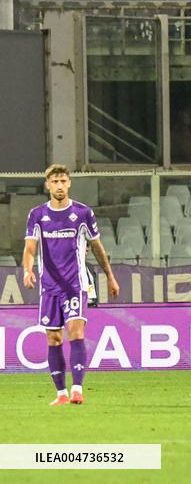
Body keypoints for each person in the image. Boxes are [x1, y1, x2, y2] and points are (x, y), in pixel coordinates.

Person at [22, 164, 120, 406]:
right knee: (54, 339)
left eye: (63, 181)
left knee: (76, 332)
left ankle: (77, 389)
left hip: (75, 285)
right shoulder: (37, 215)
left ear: (69, 183)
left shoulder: (83, 213)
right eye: (54, 182)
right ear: (47, 185)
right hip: (49, 287)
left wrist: (110, 276)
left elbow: (97, 247)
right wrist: (27, 269)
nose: (59, 185)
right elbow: (30, 247)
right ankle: (61, 394)